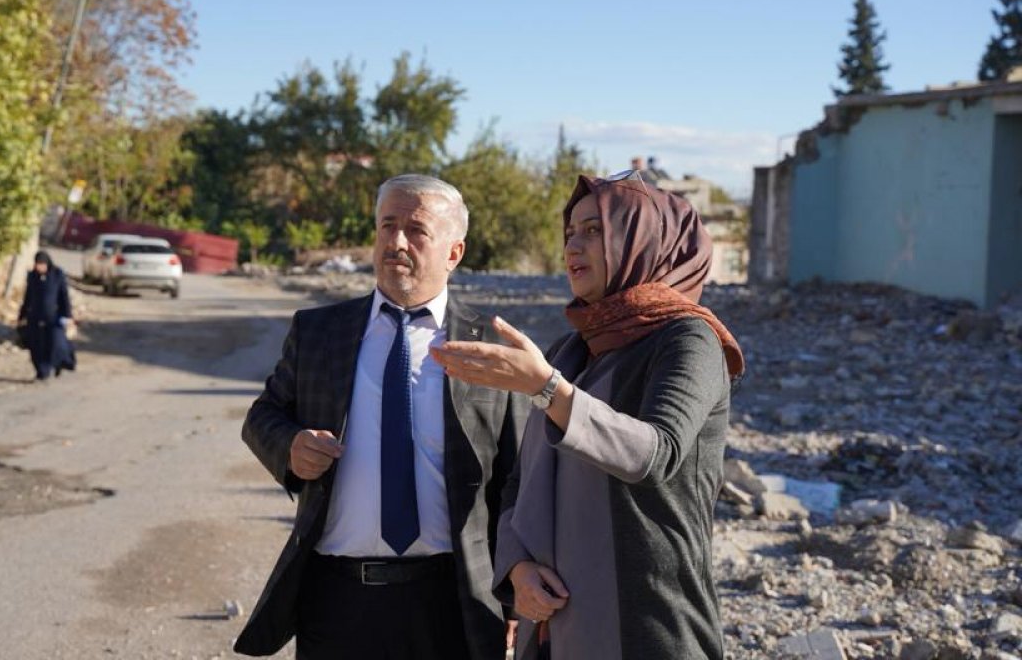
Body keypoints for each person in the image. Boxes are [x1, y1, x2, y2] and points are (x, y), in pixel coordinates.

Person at [432, 170, 745, 659]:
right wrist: (516, 569)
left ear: (643, 239)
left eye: (594, 230)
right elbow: (523, 477)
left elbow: (655, 454)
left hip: (649, 625)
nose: (573, 246)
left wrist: (544, 386)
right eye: (570, 233)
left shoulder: (689, 340)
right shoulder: (571, 350)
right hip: (555, 630)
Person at [235, 175, 529, 660]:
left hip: (452, 602)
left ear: (453, 252)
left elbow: (516, 480)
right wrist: (290, 446)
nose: (396, 242)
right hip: (337, 601)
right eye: (386, 226)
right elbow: (263, 416)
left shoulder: (488, 347)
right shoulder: (320, 332)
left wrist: (514, 598)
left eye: (416, 229)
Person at [17, 251, 76, 381]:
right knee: (36, 345)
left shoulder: (57, 275)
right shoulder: (32, 277)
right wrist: (22, 315)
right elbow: (27, 297)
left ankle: (55, 365)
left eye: (42, 264)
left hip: (53, 317)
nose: (40, 267)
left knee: (54, 344)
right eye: (38, 264)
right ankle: (41, 371)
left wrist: (68, 316)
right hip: (35, 317)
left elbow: (63, 297)